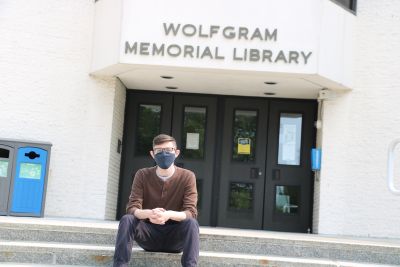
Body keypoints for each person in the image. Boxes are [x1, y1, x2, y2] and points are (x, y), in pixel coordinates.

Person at [113, 134, 199, 267]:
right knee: (127, 219)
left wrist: (168, 214)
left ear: (176, 153)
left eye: (168, 150)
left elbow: (190, 212)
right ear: (153, 154)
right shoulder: (142, 174)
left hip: (175, 237)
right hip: (149, 235)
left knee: (192, 223)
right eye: (159, 151)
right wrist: (149, 213)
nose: (164, 154)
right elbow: (132, 208)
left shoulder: (187, 176)